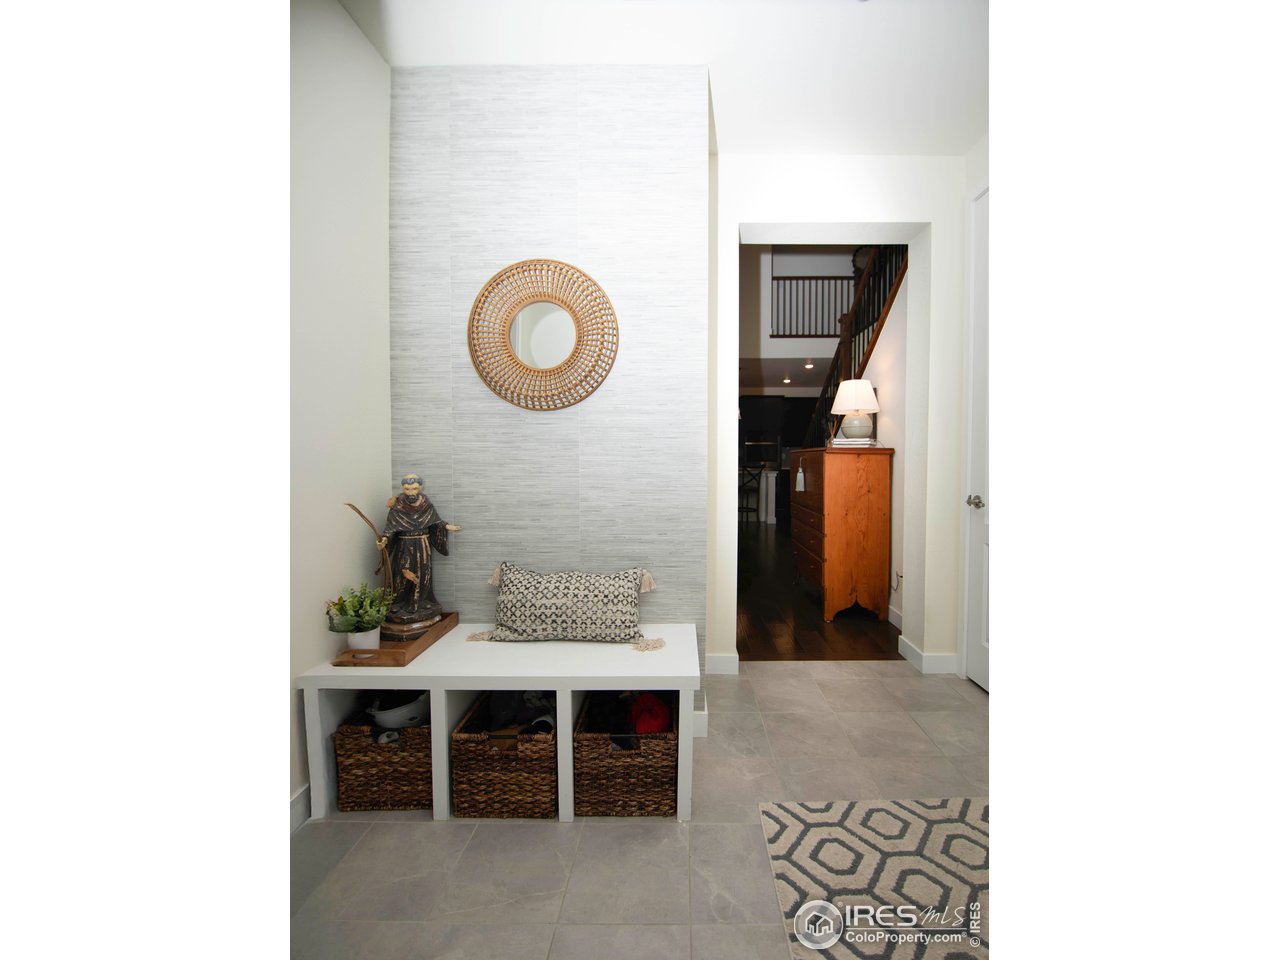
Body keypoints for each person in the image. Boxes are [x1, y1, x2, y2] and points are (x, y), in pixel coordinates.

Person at [376, 474, 461, 624]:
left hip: (422, 544)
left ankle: (422, 601)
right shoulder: (397, 506)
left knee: (423, 573)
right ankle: (399, 602)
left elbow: (435, 521)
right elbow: (390, 528)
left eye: (414, 489)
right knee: (403, 573)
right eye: (407, 489)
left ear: (420, 488)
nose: (411, 493)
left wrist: (447, 526)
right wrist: (384, 540)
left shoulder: (425, 504)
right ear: (403, 488)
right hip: (404, 545)